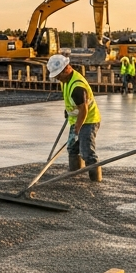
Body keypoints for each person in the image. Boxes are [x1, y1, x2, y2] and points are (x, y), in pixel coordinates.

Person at [46, 54, 102, 182]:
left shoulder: (77, 86)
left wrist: (77, 130)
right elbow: (71, 100)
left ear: (66, 68)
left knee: (87, 151)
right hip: (76, 119)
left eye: (59, 75)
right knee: (72, 147)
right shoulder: (66, 80)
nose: (58, 78)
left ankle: (96, 180)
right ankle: (74, 174)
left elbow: (84, 110)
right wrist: (68, 111)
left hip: (89, 120)